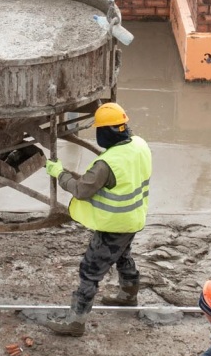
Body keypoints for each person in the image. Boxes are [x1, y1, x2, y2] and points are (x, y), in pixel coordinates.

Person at [40, 101, 151, 337]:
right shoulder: (140, 145)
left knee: (90, 270)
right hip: (134, 218)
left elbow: (81, 190)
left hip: (114, 224)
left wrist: (59, 173)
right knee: (122, 256)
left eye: (98, 130)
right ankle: (129, 295)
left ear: (106, 132)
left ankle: (76, 321)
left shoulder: (106, 164)